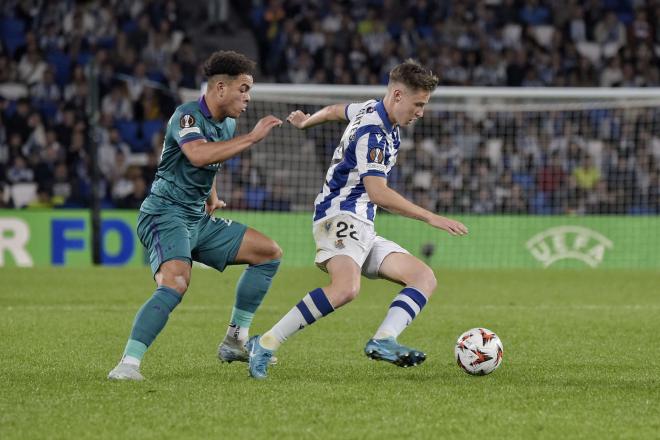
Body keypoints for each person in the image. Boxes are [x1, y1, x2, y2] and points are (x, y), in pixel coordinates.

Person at [247, 60, 468, 379]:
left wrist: (308, 122)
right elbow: (378, 192)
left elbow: (339, 110)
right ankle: (265, 343)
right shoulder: (374, 133)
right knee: (345, 288)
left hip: (362, 223)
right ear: (396, 95)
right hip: (339, 215)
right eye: (418, 104)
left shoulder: (369, 108)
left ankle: (384, 339)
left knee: (423, 277)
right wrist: (430, 217)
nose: (420, 112)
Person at [108, 50, 283, 381]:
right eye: (243, 89)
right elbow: (198, 153)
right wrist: (253, 137)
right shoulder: (186, 116)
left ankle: (235, 339)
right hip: (164, 213)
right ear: (220, 88)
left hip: (197, 219)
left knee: (268, 253)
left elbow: (209, 166)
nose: (247, 98)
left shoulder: (227, 123)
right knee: (175, 282)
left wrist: (212, 196)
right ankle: (127, 364)